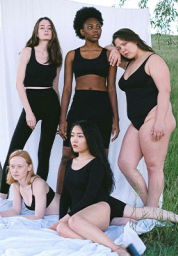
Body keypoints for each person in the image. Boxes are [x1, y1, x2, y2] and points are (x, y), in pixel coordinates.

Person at [49, 120, 178, 256]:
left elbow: (90, 197)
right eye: (72, 135)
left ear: (89, 138)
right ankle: (99, 241)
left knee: (140, 213)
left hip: (101, 207)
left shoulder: (96, 164)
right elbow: (66, 195)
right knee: (62, 228)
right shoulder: (70, 164)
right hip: (86, 215)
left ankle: (120, 248)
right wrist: (60, 220)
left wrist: (67, 217)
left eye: (80, 136)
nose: (74, 140)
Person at [106, 28, 177, 207]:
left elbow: (165, 90)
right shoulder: (129, 63)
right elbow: (106, 48)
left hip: (155, 116)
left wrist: (160, 121)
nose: (123, 50)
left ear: (135, 40)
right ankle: (150, 207)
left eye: (125, 44)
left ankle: (152, 209)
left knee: (154, 166)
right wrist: (113, 49)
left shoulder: (153, 59)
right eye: (119, 47)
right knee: (125, 163)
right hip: (137, 122)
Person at [56, 7, 120, 194]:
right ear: (82, 31)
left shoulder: (109, 55)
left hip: (102, 108)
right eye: (90, 27)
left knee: (101, 157)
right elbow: (67, 88)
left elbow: (111, 87)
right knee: (67, 155)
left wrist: (116, 118)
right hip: (79, 106)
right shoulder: (72, 55)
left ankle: (100, 200)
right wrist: (63, 118)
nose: (95, 30)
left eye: (98, 26)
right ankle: (60, 200)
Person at [0, 17, 62, 199]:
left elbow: (56, 88)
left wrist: (60, 117)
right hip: (32, 102)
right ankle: (3, 196)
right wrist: (28, 111)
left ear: (52, 32)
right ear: (36, 31)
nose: (45, 30)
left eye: (49, 27)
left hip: (51, 104)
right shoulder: (27, 52)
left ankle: (39, 196)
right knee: (15, 148)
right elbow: (19, 84)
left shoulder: (56, 55)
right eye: (42, 27)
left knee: (44, 153)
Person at [0, 150, 60, 219]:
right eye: (12, 166)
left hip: (70, 210)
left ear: (29, 167)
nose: (15, 170)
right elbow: (15, 210)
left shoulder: (38, 184)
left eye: (20, 166)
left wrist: (14, 218)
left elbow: (38, 216)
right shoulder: (16, 184)